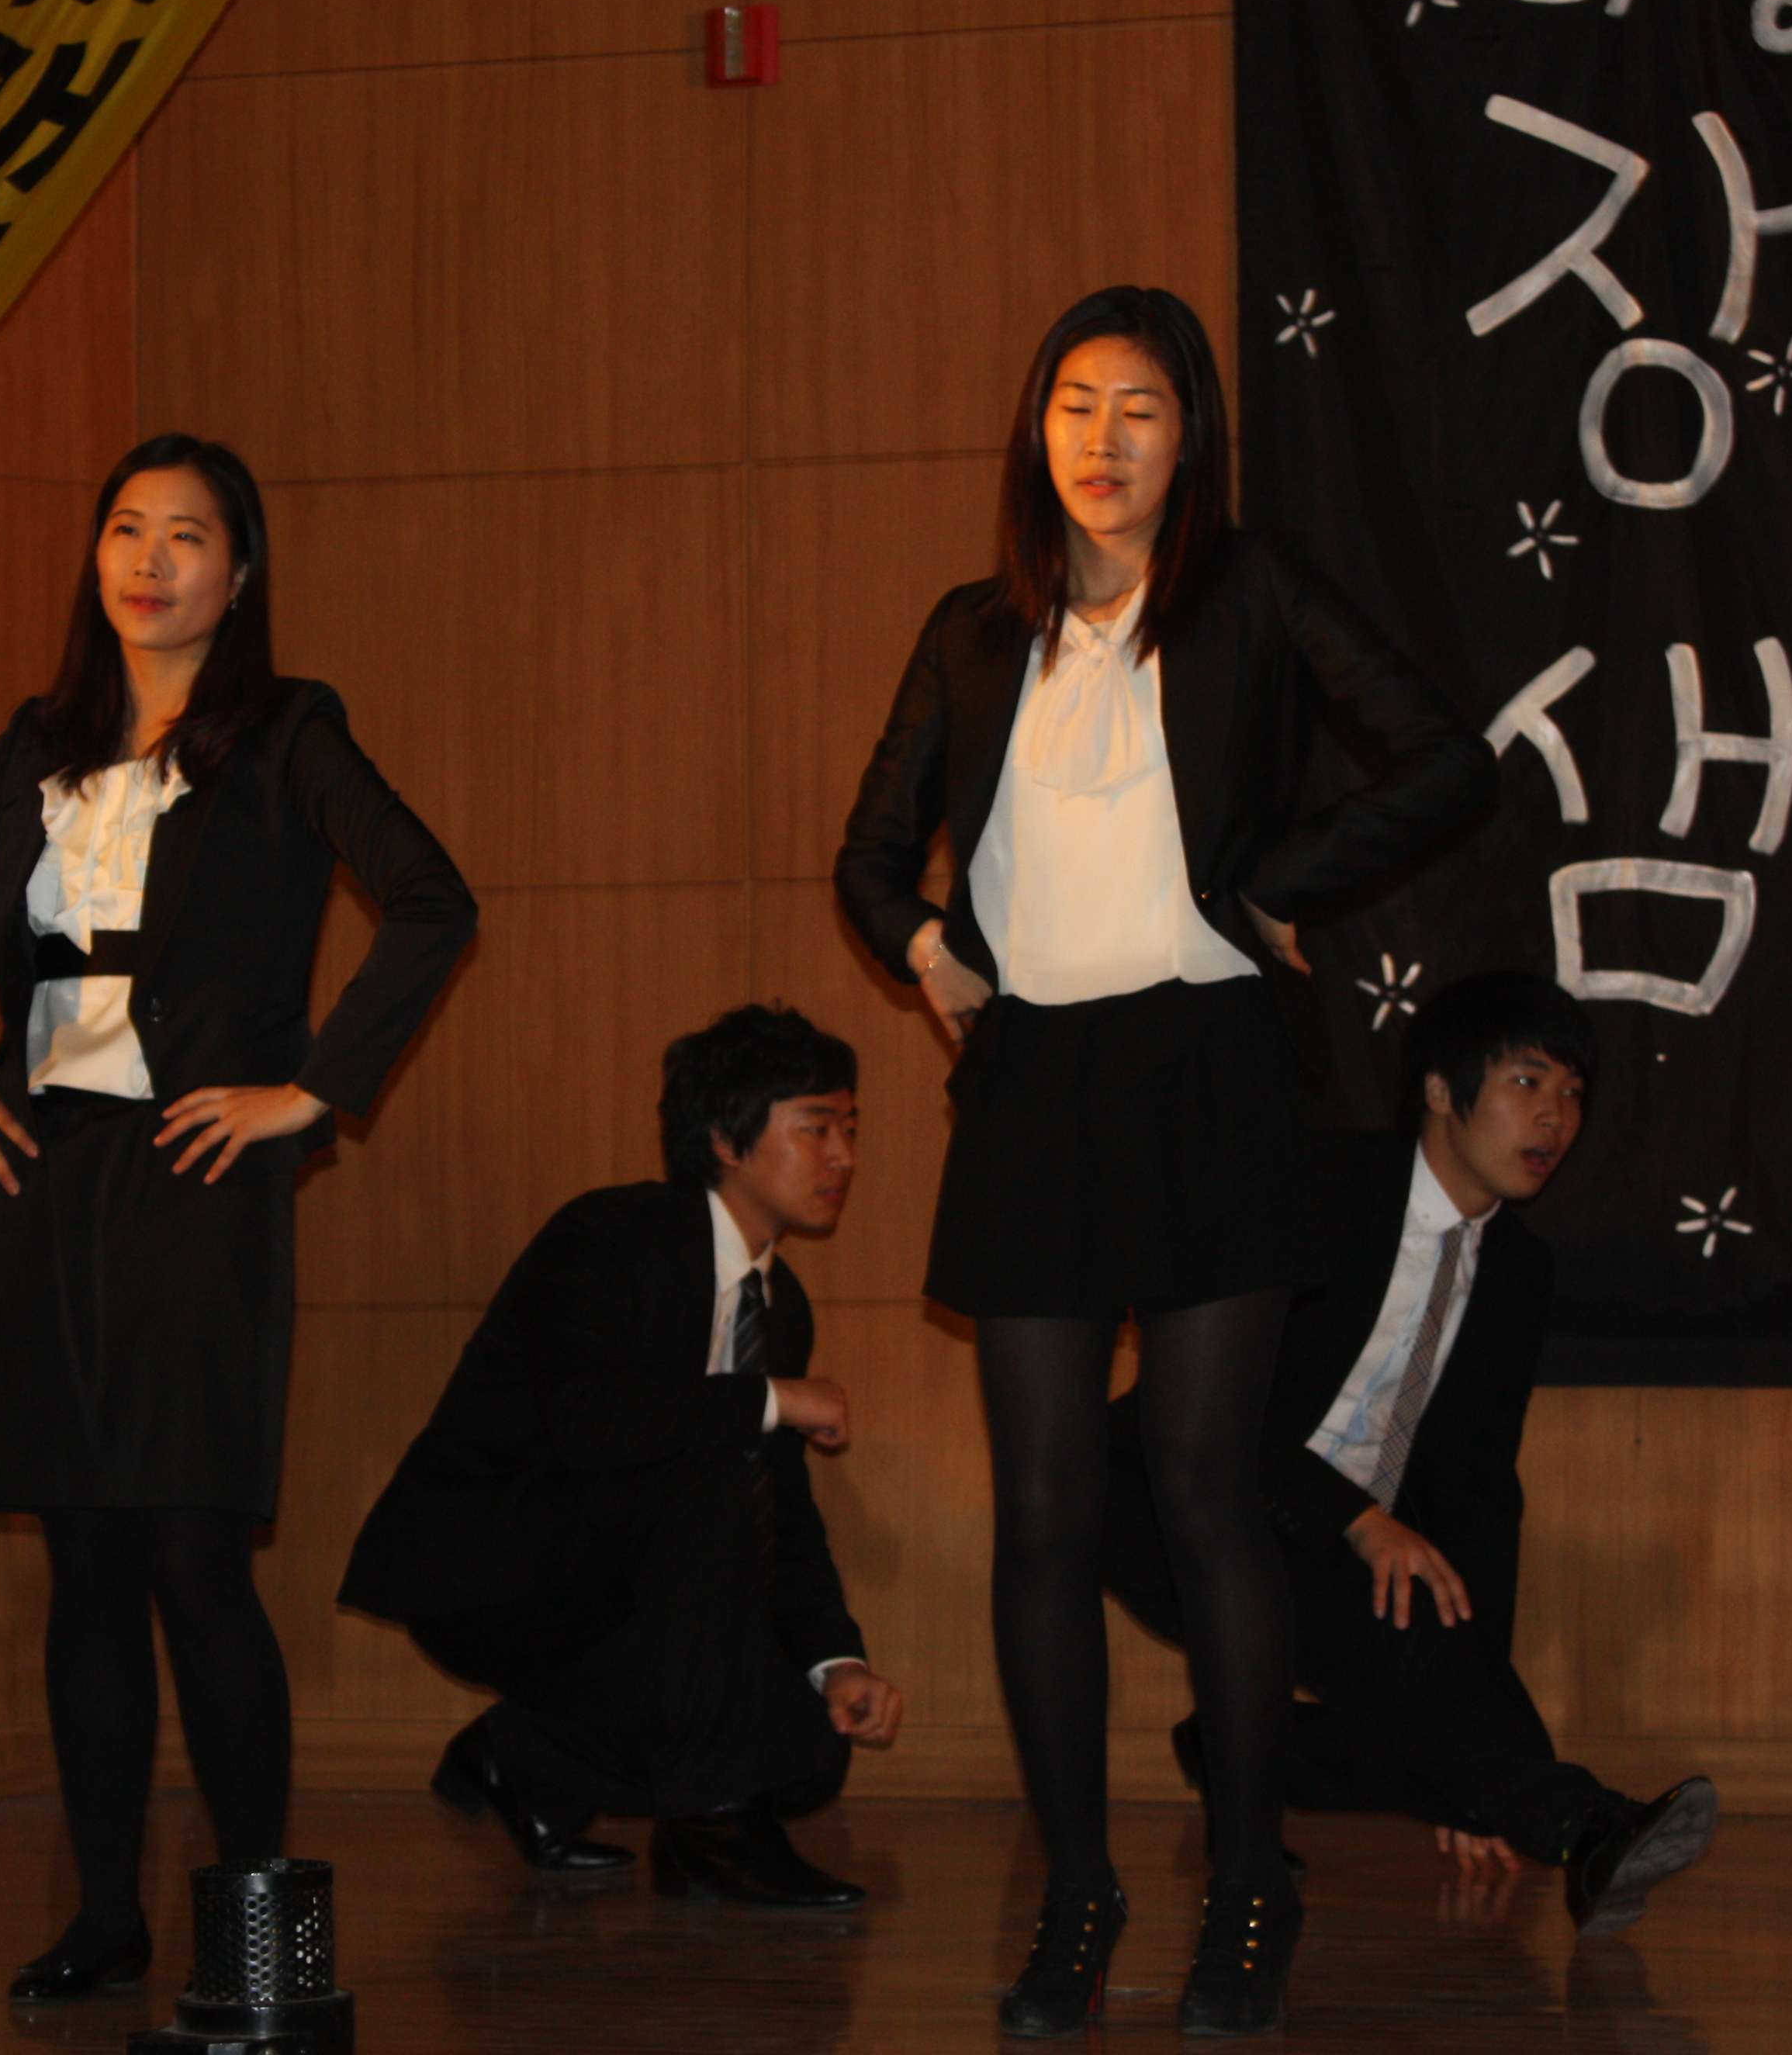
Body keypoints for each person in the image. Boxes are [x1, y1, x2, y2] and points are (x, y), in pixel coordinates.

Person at [835, 284, 1489, 2035]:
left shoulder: (1250, 593)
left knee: (1206, 1489)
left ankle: (1252, 1879)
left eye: (1139, 407)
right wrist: (921, 944)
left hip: (1210, 1066)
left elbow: (1444, 756)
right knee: (1045, 1509)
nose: (1103, 440)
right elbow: (868, 852)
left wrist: (1276, 883)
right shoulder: (974, 629)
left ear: (1190, 434)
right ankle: (1078, 1893)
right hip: (1034, 1083)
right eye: (1075, 404)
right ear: (1034, 428)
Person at [0, 435, 476, 2001]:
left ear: (240, 570)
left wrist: (310, 1092)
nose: (150, 560)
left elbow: (433, 899)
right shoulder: (37, 744)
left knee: (197, 1558)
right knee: (85, 1566)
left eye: (187, 535)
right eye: (126, 529)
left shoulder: (286, 732)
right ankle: (105, 1915)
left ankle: (265, 1938)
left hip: (198, 1180)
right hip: (42, 1176)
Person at [1100, 970, 1716, 1934]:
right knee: (1463, 1731)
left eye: (1572, 1094)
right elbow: (1207, 1409)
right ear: (1438, 1088)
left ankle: (1254, 1753)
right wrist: (1357, 1521)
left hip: (1329, 1537)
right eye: (1526, 1082)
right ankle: (1585, 1823)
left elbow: (1479, 1485)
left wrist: (1474, 1689)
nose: (1554, 1118)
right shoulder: (1316, 1186)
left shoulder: (1518, 1268)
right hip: (1171, 1492)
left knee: (1479, 1732)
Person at [337, 1005, 906, 1908]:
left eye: (851, 1129)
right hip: (498, 1571)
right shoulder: (608, 1237)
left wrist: (837, 1660)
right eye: (816, 1128)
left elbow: (781, 1507)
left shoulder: (780, 1305)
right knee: (709, 1466)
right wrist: (769, 1399)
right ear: (725, 1140)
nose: (843, 1157)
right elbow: (592, 1424)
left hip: (628, 1592)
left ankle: (521, 1759)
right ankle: (711, 1834)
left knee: (808, 1747)